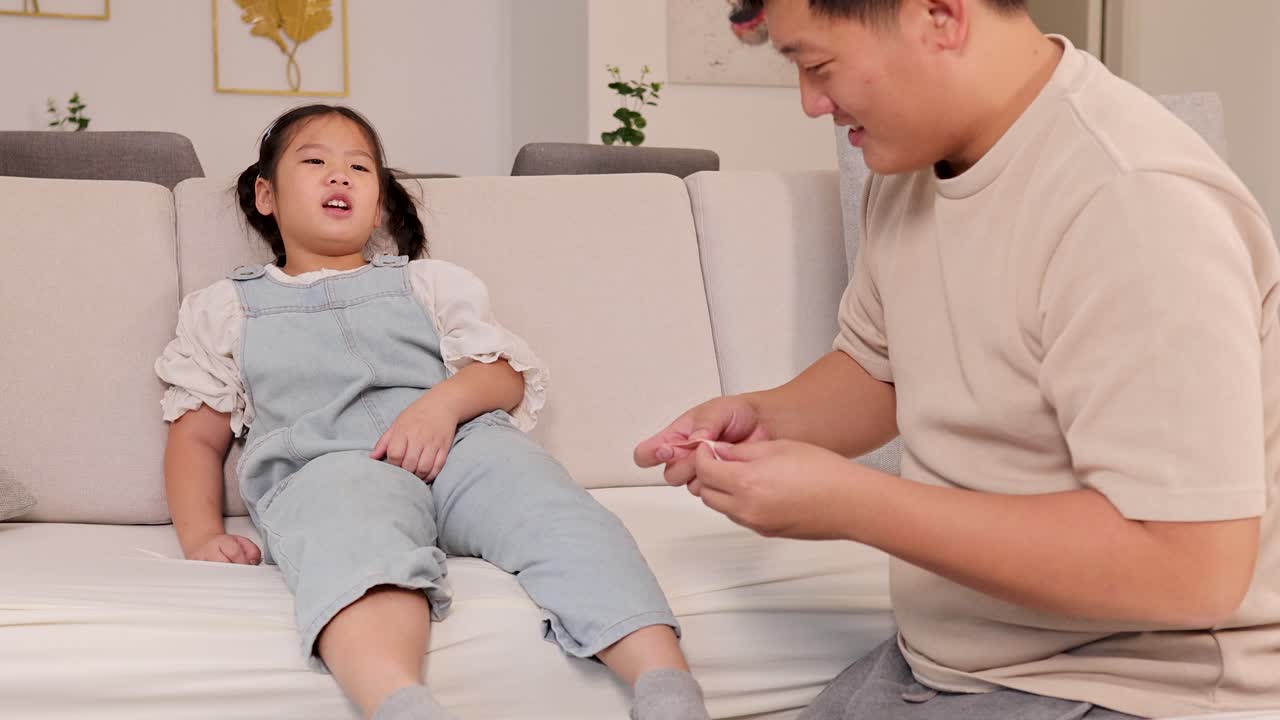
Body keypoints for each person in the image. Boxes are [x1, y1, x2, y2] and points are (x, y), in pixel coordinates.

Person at [639, 0, 1280, 717]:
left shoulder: (1132, 203)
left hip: (1125, 688)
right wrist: (764, 419)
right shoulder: (910, 162)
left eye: (818, 66)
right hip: (950, 665)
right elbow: (880, 368)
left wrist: (853, 504)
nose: (811, 102)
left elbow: (1189, 570)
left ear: (940, 17)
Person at [156, 104, 709, 720]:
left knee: (554, 511)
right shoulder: (227, 308)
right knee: (355, 545)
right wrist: (202, 535)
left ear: (378, 204)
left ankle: (668, 691)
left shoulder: (428, 284)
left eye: (359, 168)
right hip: (329, 463)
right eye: (314, 161)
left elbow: (502, 374)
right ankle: (401, 702)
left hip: (462, 443)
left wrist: (441, 407)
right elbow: (196, 438)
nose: (338, 176)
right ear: (266, 194)